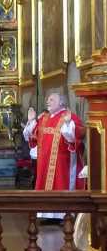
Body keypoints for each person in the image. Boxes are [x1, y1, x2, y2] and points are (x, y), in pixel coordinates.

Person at [23, 93, 85, 221]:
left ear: (61, 102)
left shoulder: (69, 116)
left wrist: (68, 123)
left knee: (61, 184)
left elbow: (74, 137)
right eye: (48, 99)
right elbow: (31, 136)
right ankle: (48, 214)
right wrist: (31, 121)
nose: (48, 102)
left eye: (52, 100)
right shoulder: (44, 118)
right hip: (44, 162)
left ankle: (64, 215)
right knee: (44, 185)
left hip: (62, 162)